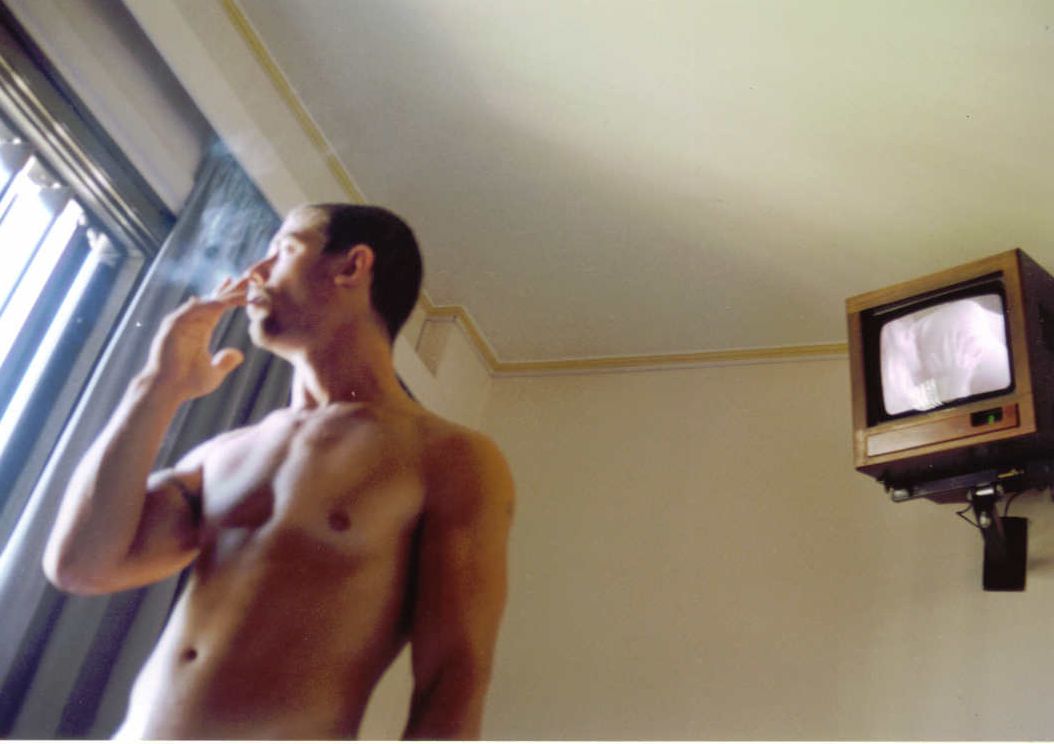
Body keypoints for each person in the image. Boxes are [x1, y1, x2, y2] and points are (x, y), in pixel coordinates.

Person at [41, 203, 515, 739]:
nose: (255, 273)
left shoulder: (449, 457)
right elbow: (81, 566)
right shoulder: (222, 454)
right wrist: (157, 385)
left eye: (283, 249)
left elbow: (453, 680)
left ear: (352, 267)